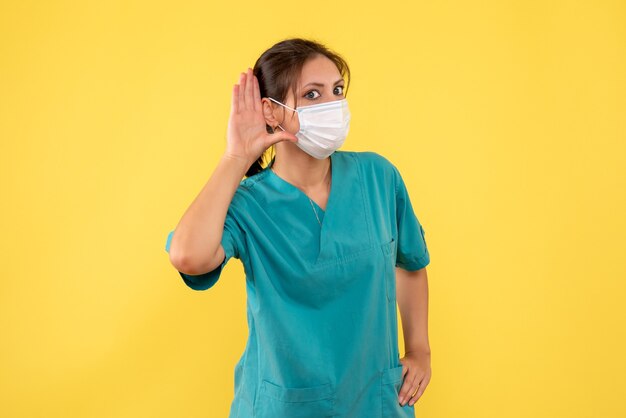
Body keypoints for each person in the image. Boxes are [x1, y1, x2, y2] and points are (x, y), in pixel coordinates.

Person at [165, 38, 432, 418]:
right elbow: (188, 256)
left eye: (337, 91)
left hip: (375, 402)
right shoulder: (248, 204)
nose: (333, 105)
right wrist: (236, 157)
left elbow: (410, 263)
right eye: (312, 94)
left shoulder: (378, 177)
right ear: (271, 112)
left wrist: (420, 349)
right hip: (284, 407)